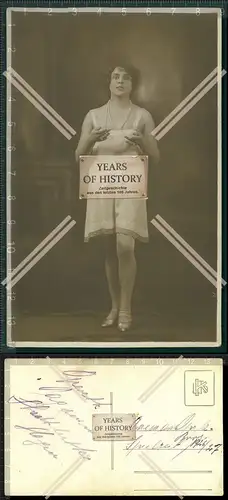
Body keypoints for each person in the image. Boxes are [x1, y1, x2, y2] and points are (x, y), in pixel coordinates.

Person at [75, 64, 159, 332]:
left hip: (131, 186)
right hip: (101, 185)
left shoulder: (142, 117)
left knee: (125, 245)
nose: (120, 81)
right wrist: (89, 139)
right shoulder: (94, 116)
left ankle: (126, 307)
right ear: (109, 82)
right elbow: (78, 156)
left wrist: (142, 143)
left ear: (134, 84)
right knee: (110, 248)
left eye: (126, 77)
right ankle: (114, 306)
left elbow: (155, 157)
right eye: (115, 76)